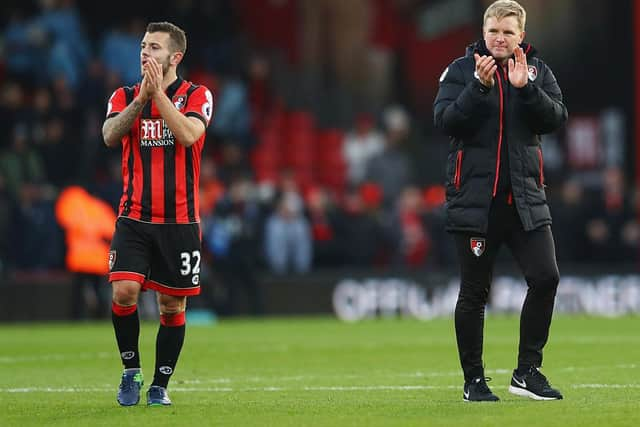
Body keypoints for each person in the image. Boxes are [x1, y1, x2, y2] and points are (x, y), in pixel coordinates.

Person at [433, 1, 567, 402]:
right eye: (493, 30)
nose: (500, 38)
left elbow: (556, 119)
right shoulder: (460, 71)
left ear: (521, 36)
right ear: (483, 31)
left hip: (526, 199)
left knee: (546, 278)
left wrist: (526, 91)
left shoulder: (538, 73)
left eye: (508, 32)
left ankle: (527, 372)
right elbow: (445, 122)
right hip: (477, 202)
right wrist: (478, 88)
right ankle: (473, 381)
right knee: (474, 293)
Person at [102, 21, 214, 407]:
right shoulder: (124, 95)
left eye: (154, 47)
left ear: (174, 57)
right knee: (125, 290)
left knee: (172, 305)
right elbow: (109, 135)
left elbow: (186, 134)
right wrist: (142, 99)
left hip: (181, 222)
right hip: (133, 217)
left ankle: (159, 385)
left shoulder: (198, 95)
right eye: (143, 46)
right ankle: (130, 371)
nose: (145, 53)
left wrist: (159, 96)